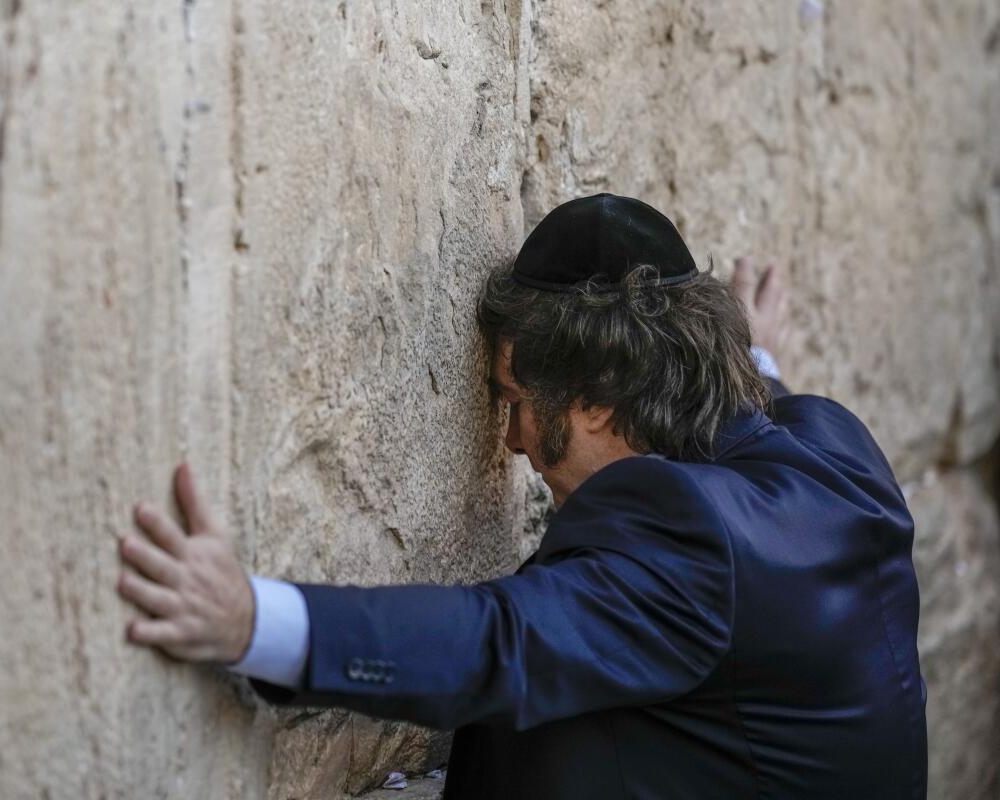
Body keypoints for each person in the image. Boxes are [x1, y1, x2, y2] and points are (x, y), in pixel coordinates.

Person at [115, 194, 928, 799]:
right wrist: (750, 357)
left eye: (517, 400)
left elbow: (498, 640)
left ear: (599, 400)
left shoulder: (696, 544)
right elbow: (772, 406)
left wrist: (253, 622)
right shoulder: (835, 448)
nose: (508, 440)